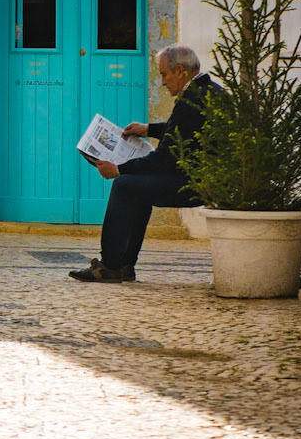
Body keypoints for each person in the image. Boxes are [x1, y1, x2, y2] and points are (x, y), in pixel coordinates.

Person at [70, 44, 220, 284]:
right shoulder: (207, 91)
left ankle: (111, 265)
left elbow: (164, 160)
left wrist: (118, 169)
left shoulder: (192, 100)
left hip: (196, 183)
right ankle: (124, 265)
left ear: (180, 70)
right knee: (136, 188)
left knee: (125, 185)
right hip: (203, 176)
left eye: (164, 74)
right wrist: (149, 129)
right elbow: (182, 131)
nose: (162, 82)